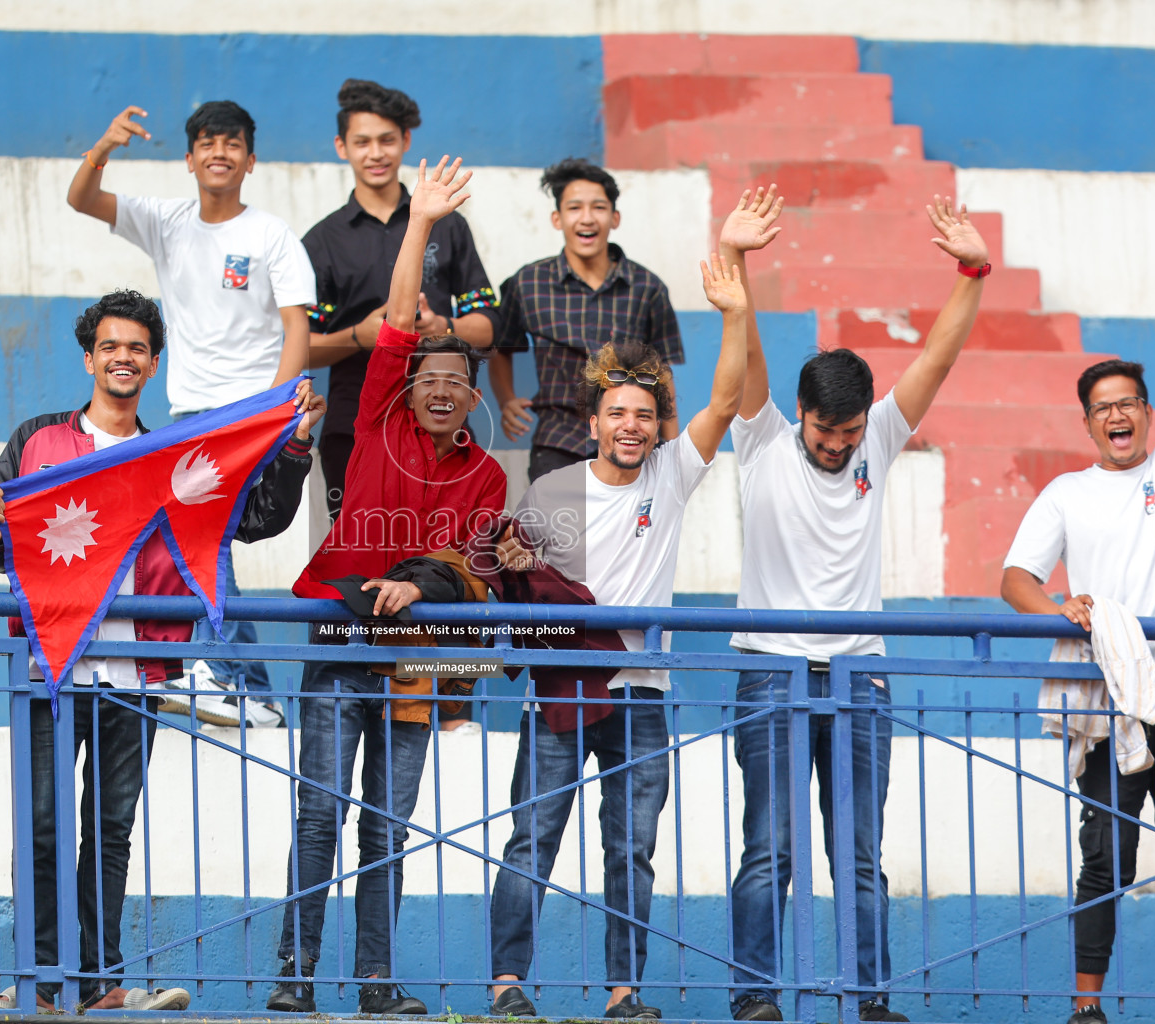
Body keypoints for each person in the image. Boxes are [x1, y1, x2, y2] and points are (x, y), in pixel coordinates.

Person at [0, 289, 323, 1012]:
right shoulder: (36, 437)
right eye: (110, 346)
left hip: (138, 672)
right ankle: (39, 982)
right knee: (41, 825)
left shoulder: (173, 458)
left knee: (109, 830)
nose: (122, 357)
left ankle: (99, 983)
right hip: (48, 669)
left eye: (136, 348)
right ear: (89, 358)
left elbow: (254, 520)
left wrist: (292, 446)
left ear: (153, 364)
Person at [722, 187, 991, 1023]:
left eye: (847, 433)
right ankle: (755, 998)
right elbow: (745, 357)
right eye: (824, 431)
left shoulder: (879, 433)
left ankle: (869, 1000)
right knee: (768, 851)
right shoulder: (761, 436)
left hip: (860, 675)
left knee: (860, 856)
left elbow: (937, 361)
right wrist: (734, 260)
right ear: (798, 415)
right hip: (770, 672)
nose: (837, 446)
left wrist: (973, 270)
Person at [267, 156, 507, 1017]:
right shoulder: (375, 413)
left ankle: (374, 983)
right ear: (409, 384)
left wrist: (414, 583)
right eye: (430, 379)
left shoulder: (484, 474)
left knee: (387, 830)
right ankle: (293, 976)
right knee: (318, 819)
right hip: (339, 639)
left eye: (458, 384)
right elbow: (399, 316)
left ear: (473, 396)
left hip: (415, 661)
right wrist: (421, 225)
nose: (442, 390)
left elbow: (462, 560)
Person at [484, 249, 748, 1020]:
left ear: (654, 423)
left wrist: (735, 312)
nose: (631, 427)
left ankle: (624, 993)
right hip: (562, 693)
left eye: (644, 415)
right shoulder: (552, 489)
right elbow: (519, 587)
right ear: (593, 420)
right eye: (618, 414)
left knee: (630, 851)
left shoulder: (669, 474)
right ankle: (506, 986)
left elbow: (726, 402)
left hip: (641, 694)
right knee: (530, 840)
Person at [67, 99, 316, 726]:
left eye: (232, 143)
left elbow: (297, 329)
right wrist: (105, 144)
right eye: (207, 142)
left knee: (195, 532)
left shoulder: (270, 236)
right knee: (194, 536)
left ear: (250, 160)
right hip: (189, 415)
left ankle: (231, 676)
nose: (219, 152)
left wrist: (275, 412)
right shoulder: (167, 221)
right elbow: (81, 199)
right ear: (189, 158)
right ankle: (242, 683)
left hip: (248, 411)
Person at [1001, 356, 1155, 1024]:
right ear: (1088, 422)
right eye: (1103, 407)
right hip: (1110, 698)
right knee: (1106, 857)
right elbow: (1015, 579)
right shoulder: (1067, 492)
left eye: (1129, 404)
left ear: (1149, 415)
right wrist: (1057, 609)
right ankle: (1087, 1007)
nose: (1117, 415)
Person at [302, 78, 502, 518]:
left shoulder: (446, 224)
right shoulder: (323, 241)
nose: (376, 153)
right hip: (353, 423)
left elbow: (488, 329)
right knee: (355, 550)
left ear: (406, 141)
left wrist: (441, 329)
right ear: (341, 146)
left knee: (438, 554)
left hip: (443, 421)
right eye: (362, 142)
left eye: (387, 140)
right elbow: (302, 348)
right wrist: (362, 336)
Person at [490, 158, 684, 483]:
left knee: (629, 535)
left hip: (629, 442)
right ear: (557, 218)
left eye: (598, 207)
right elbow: (499, 344)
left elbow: (662, 372)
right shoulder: (528, 283)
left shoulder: (647, 288)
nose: (587, 218)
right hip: (557, 441)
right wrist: (506, 399)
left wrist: (673, 448)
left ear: (615, 217)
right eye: (574, 208)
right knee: (554, 532)